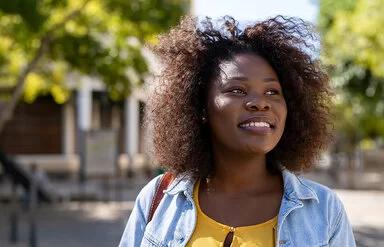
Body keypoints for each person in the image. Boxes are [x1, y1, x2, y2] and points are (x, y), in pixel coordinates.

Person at [119, 15, 356, 246]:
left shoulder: (324, 210)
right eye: (237, 90)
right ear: (201, 108)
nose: (260, 102)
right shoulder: (159, 199)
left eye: (272, 92)